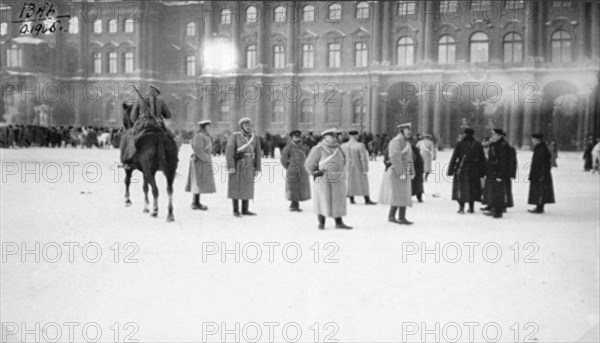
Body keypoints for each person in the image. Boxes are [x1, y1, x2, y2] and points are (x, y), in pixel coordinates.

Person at [305, 128, 352, 230]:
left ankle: (339, 222)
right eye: (332, 136)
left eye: (335, 136)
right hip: (323, 180)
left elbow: (345, 160)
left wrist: (342, 172)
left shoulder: (339, 148)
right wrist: (315, 172)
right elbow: (308, 165)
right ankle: (321, 223)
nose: (335, 138)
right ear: (325, 137)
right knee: (322, 201)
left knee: (337, 201)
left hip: (337, 179)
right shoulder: (318, 149)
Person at [120, 84, 173, 168]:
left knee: (130, 138)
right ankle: (171, 160)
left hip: (142, 125)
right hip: (157, 125)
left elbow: (133, 118)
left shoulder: (140, 101)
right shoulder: (161, 102)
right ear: (157, 93)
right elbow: (169, 115)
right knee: (170, 138)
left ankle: (127, 162)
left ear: (148, 92)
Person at [378, 123, 414, 225]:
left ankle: (400, 216)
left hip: (405, 170)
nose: (409, 132)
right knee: (398, 193)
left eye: (410, 130)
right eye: (407, 130)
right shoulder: (395, 141)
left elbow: (410, 158)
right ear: (402, 130)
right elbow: (394, 157)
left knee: (404, 194)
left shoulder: (406, 143)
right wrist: (401, 172)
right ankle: (393, 216)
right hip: (397, 171)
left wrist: (411, 170)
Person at [225, 117, 262, 217]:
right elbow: (229, 152)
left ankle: (245, 210)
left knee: (247, 187)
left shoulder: (255, 138)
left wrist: (258, 167)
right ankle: (235, 210)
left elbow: (258, 154)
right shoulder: (235, 136)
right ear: (242, 126)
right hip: (237, 165)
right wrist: (231, 166)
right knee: (235, 187)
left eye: (249, 125)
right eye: (246, 125)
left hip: (249, 165)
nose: (248, 127)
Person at [447, 128, 486, 214]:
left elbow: (454, 157)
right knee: (472, 189)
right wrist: (483, 172)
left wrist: (450, 171)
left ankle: (461, 208)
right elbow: (482, 159)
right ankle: (471, 207)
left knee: (461, 188)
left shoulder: (460, 144)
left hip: (461, 169)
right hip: (474, 169)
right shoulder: (478, 144)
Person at [185, 120, 216, 210]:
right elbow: (198, 149)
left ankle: (196, 201)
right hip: (198, 161)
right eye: (208, 126)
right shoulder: (199, 136)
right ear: (204, 127)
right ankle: (195, 202)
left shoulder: (206, 136)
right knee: (197, 182)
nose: (210, 128)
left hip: (202, 161)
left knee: (200, 182)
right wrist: (206, 158)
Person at [341, 130, 376, 205]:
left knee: (350, 182)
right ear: (356, 136)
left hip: (347, 166)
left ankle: (351, 198)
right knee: (363, 182)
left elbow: (341, 158)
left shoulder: (343, 145)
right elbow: (363, 157)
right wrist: (365, 168)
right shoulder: (360, 145)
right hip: (358, 166)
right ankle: (366, 199)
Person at [280, 130, 311, 212]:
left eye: (298, 136)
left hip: (303, 169)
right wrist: (289, 167)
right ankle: (294, 204)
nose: (297, 138)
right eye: (295, 136)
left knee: (301, 187)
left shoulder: (305, 147)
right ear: (292, 138)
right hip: (293, 170)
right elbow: (283, 159)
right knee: (293, 187)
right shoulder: (288, 148)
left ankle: (296, 204)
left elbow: (309, 157)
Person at [483, 129, 510, 218]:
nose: (492, 137)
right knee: (493, 191)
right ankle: (493, 208)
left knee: (499, 192)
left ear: (499, 136)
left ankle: (498, 211)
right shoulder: (495, 145)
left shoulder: (502, 146)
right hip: (492, 171)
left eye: (494, 135)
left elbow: (503, 161)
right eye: (492, 135)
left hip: (498, 172)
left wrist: (500, 174)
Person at [528, 133, 555, 213]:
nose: (532, 141)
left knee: (540, 190)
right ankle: (539, 205)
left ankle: (539, 207)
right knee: (539, 190)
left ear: (537, 140)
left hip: (540, 174)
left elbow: (543, 163)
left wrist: (541, 174)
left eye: (533, 139)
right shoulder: (540, 148)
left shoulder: (541, 149)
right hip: (540, 173)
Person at [410, 137, 425, 202]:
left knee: (418, 185)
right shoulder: (414, 149)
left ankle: (419, 197)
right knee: (416, 185)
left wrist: (421, 169)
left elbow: (420, 160)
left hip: (416, 169)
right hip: (411, 169)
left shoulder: (415, 150)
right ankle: (418, 197)